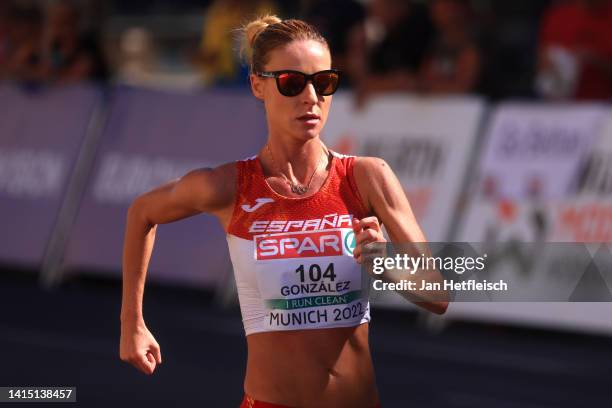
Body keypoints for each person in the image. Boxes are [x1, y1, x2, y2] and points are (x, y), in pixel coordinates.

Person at [119, 15, 447, 408]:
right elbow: (142, 213)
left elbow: (439, 293)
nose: (311, 97)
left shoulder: (366, 176)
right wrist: (131, 325)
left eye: (323, 82)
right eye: (292, 83)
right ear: (258, 85)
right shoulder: (228, 186)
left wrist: (385, 264)